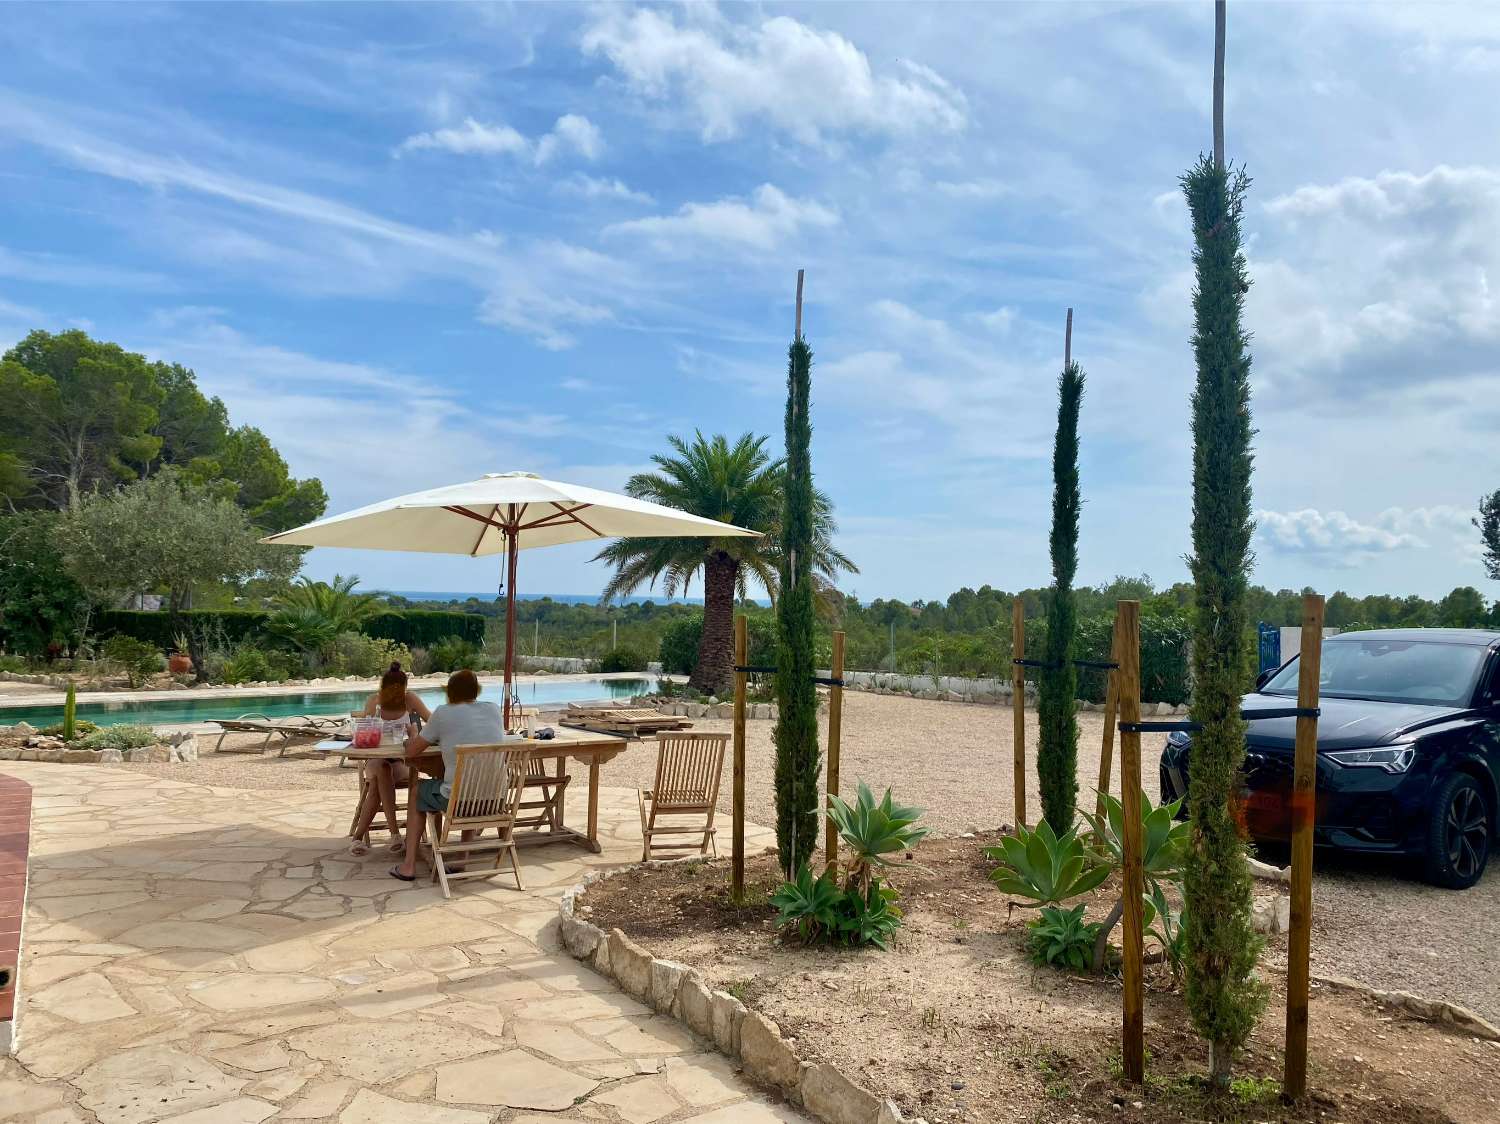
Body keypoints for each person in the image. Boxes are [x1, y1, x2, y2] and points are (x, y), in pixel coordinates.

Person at [390, 668, 504, 881]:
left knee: (417, 791)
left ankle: (408, 866)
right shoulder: (493, 710)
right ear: (475, 691)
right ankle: (462, 859)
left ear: (450, 692)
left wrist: (413, 735)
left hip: (461, 801)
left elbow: (412, 751)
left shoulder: (443, 713)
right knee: (468, 784)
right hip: (495, 800)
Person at [348, 662, 431, 857]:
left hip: (399, 761)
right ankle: (394, 834)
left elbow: (432, 719)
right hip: (375, 759)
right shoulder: (375, 702)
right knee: (381, 769)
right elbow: (364, 732)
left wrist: (414, 733)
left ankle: (358, 838)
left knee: (378, 784)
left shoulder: (410, 700)